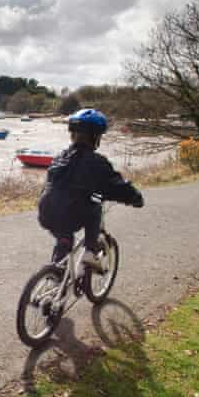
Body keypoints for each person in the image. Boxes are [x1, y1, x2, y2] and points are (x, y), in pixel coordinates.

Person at [38, 108, 144, 275]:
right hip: (72, 213)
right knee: (95, 207)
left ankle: (55, 276)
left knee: (64, 237)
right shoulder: (97, 162)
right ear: (96, 137)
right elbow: (117, 185)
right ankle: (90, 251)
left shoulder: (60, 156)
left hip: (46, 211)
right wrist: (135, 198)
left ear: (72, 134)